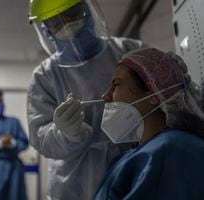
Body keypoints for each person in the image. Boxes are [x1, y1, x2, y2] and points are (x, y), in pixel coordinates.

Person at [27, 0, 145, 199]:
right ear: (46, 30)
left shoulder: (129, 50)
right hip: (74, 182)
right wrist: (66, 134)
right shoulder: (44, 76)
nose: (67, 25)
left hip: (133, 165)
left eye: (72, 14)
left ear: (87, 10)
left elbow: (166, 101)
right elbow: (39, 137)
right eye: (56, 22)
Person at [93, 48, 204, 199]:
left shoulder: (169, 150)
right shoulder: (135, 154)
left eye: (116, 84)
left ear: (153, 95)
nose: (105, 96)